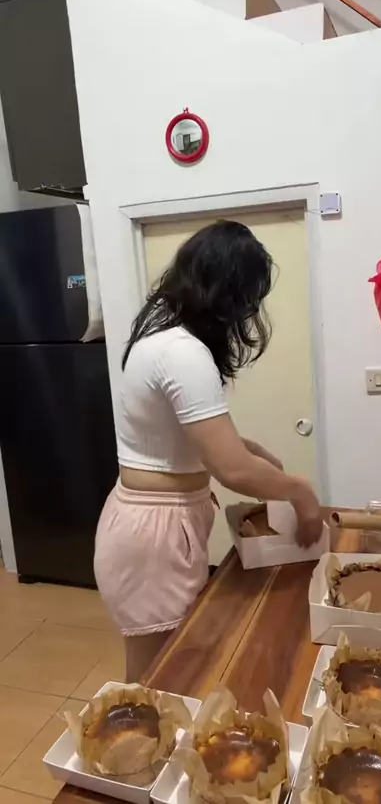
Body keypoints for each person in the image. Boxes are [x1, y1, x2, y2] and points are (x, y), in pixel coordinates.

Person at [94, 220, 324, 682]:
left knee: (164, 670)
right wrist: (301, 493)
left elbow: (200, 439)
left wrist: (254, 454)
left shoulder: (161, 339)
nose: (247, 313)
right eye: (247, 299)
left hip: (148, 525)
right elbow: (230, 468)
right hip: (152, 534)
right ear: (228, 293)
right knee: (158, 679)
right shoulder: (182, 352)